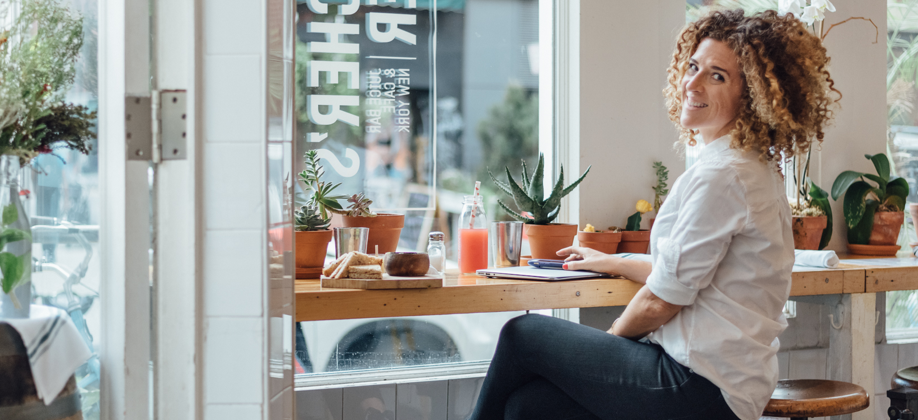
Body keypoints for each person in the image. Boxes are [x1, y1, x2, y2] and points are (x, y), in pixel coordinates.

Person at [468, 9, 839, 420]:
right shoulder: (747, 166)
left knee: (523, 335)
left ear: (751, 95)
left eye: (717, 76)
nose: (692, 83)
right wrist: (612, 260)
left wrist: (610, 346)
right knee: (528, 408)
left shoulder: (723, 175)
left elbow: (661, 302)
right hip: (724, 383)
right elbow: (688, 273)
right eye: (693, 66)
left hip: (698, 385)